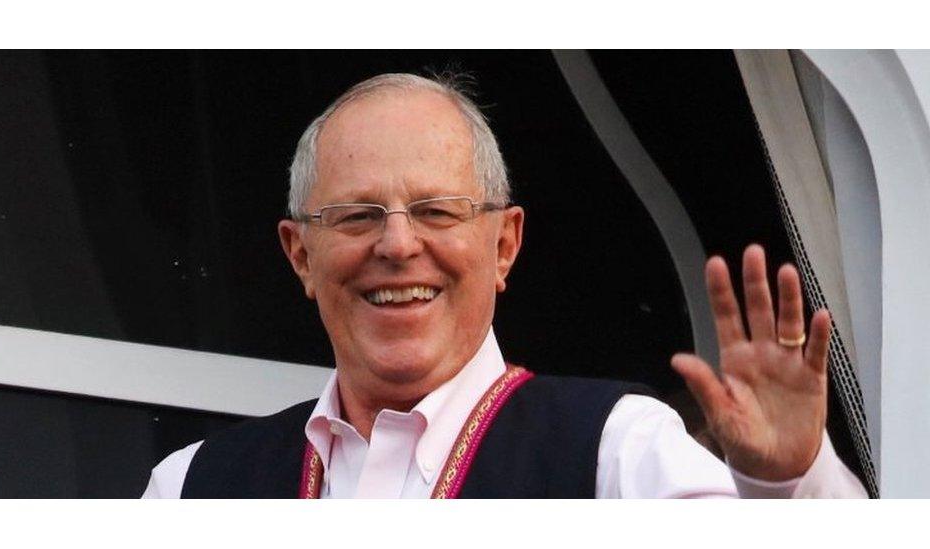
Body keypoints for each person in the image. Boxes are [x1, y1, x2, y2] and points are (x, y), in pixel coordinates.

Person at [142, 73, 867, 498]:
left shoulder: (617, 453)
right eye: (359, 215)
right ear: (301, 253)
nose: (398, 245)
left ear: (504, 245)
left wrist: (790, 486)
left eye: (436, 211)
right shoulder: (190, 488)